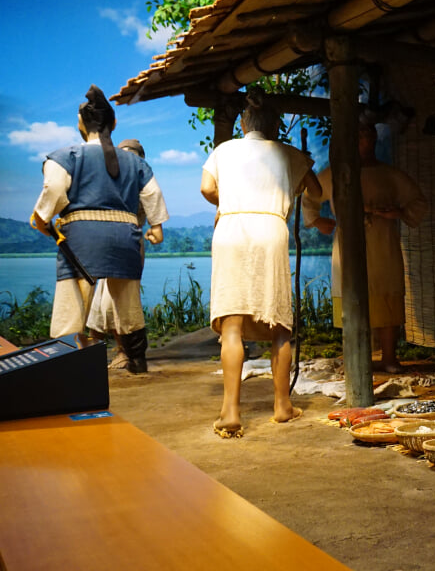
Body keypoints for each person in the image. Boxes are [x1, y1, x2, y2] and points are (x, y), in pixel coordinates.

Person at [201, 86, 320, 437]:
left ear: (243, 122)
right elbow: (317, 192)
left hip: (232, 226)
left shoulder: (223, 150)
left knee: (232, 326)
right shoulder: (289, 153)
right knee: (279, 324)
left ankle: (230, 411)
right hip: (271, 227)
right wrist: (291, 185)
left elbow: (207, 189)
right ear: (275, 124)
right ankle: (282, 405)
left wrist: (233, 198)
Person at [30, 86, 167, 373]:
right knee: (128, 305)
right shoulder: (136, 162)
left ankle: (68, 369)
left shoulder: (65, 156)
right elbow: (152, 194)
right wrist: (156, 227)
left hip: (80, 240)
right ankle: (137, 361)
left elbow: (53, 189)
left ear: (80, 125)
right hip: (125, 239)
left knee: (73, 305)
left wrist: (42, 218)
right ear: (113, 124)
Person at [301, 119, 428, 373]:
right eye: (359, 135)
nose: (365, 140)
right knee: (353, 296)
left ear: (374, 139)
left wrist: (399, 212)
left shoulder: (390, 175)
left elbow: (418, 202)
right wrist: (316, 221)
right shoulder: (336, 174)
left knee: (387, 292)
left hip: (383, 243)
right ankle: (358, 356)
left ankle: (389, 356)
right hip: (348, 245)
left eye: (369, 134)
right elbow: (310, 195)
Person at [87, 138, 151, 369]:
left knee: (119, 301)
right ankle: (110, 353)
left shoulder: (142, 181)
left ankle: (126, 353)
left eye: (131, 154)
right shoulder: (114, 179)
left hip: (128, 244)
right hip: (108, 244)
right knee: (102, 301)